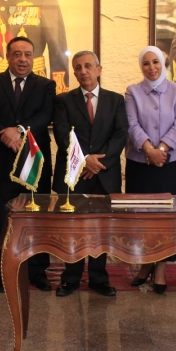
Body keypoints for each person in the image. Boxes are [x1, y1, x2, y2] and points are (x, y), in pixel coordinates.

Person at [0, 36, 55, 293]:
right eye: (17, 54)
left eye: (28, 54)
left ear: (33, 58)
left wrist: (19, 130)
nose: (23, 59)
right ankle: (3, 274)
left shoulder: (46, 85)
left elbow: (45, 115)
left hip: (35, 164)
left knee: (38, 220)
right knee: (3, 222)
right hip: (1, 164)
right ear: (8, 56)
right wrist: (5, 133)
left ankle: (37, 272)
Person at [52, 51, 128, 298]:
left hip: (104, 174)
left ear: (99, 69)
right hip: (74, 173)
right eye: (78, 67)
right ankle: (70, 278)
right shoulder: (63, 100)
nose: (83, 71)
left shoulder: (116, 100)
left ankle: (99, 279)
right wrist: (84, 160)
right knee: (73, 227)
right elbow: (62, 134)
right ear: (74, 72)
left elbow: (120, 134)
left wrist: (98, 162)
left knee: (100, 228)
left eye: (87, 66)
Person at [125, 45, 176, 293]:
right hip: (141, 163)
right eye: (146, 63)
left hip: (171, 163)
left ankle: (160, 266)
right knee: (142, 216)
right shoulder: (132, 91)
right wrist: (149, 150)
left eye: (156, 62)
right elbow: (132, 124)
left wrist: (161, 149)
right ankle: (145, 263)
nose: (151, 67)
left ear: (163, 64)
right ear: (141, 66)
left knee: (165, 217)